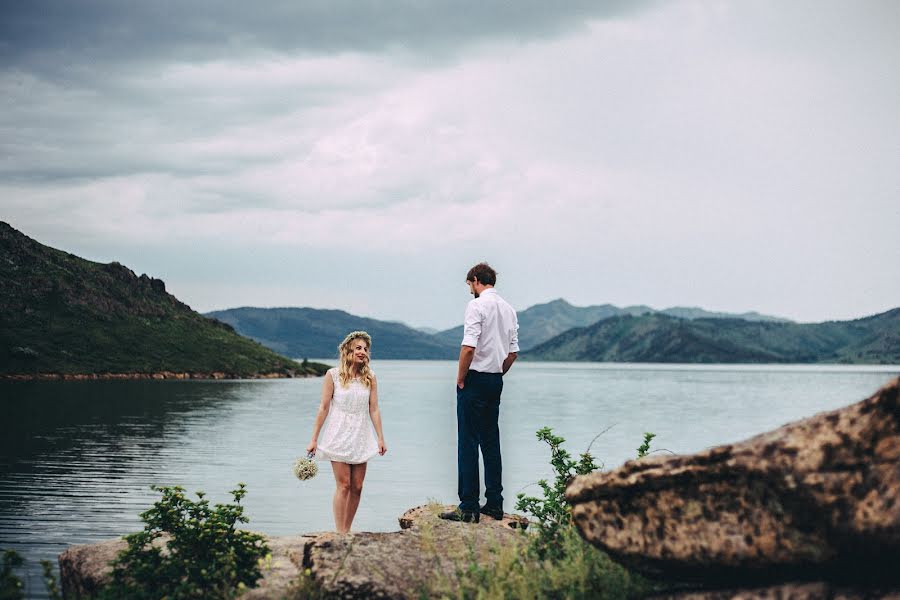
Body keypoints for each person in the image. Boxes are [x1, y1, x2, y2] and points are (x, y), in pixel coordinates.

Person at [441, 262, 519, 523]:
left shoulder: (476, 305)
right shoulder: (509, 309)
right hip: (495, 380)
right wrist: (497, 373)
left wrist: (461, 378)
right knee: (491, 441)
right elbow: (513, 353)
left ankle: (469, 506)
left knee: (468, 441)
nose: (470, 291)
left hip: (474, 380)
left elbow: (468, 348)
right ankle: (495, 504)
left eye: (469, 286)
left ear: (475, 280)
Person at [307, 331, 387, 533]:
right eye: (359, 348)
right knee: (344, 485)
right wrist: (314, 439)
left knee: (357, 486)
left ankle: (347, 529)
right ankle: (340, 532)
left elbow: (374, 409)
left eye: (366, 349)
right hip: (338, 433)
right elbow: (323, 408)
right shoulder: (332, 375)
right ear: (348, 350)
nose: (363, 352)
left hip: (361, 434)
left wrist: (380, 438)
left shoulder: (370, 377)